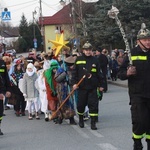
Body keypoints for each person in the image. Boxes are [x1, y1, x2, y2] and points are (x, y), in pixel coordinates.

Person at [118, 23, 150, 150]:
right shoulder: (132, 54)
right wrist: (127, 73)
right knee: (140, 121)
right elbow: (119, 74)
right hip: (138, 95)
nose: (148, 42)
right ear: (138, 41)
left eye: (149, 39)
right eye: (145, 40)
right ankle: (137, 143)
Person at [72, 41, 104, 130]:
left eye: (89, 50)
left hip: (93, 87)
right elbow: (74, 73)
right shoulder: (78, 60)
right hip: (81, 87)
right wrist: (74, 83)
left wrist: (102, 85)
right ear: (83, 50)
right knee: (80, 105)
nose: (88, 51)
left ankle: (93, 123)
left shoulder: (95, 60)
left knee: (93, 105)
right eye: (86, 50)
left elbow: (99, 74)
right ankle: (81, 120)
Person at [0, 45, 11, 135]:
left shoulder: (2, 63)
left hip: (1, 91)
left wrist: (8, 90)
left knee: (0, 111)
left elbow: (6, 78)